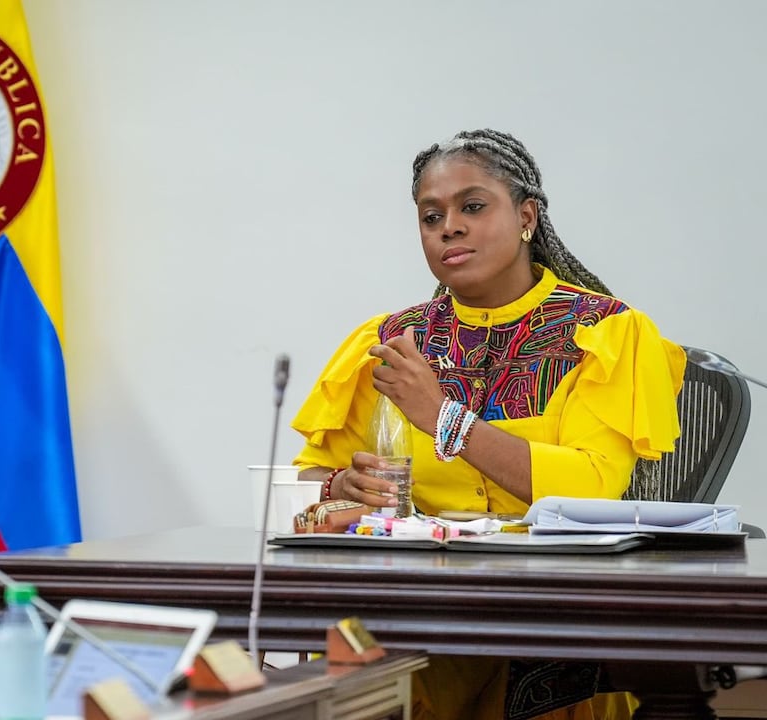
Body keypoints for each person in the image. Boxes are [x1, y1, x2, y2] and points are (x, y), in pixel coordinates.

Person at [291, 129, 685, 720]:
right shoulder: (392, 343)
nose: (448, 227)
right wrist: (337, 488)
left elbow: (592, 487)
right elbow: (305, 483)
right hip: (421, 606)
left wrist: (446, 418)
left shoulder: (603, 332)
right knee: (356, 694)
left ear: (526, 216)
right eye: (431, 216)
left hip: (554, 609)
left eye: (472, 206)